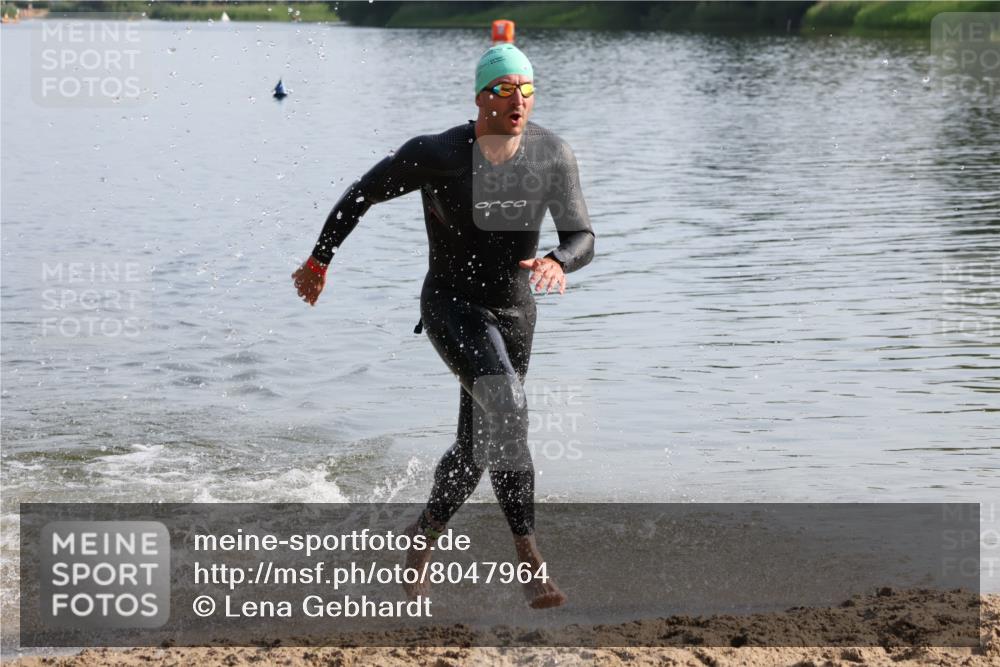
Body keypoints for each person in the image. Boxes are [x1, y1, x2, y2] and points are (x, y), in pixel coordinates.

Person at [292, 42, 594, 609]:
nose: (518, 101)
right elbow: (362, 194)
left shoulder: (552, 154)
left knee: (480, 444)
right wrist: (318, 261)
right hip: (452, 304)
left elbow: (582, 235)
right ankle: (529, 557)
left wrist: (559, 260)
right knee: (508, 406)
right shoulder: (438, 154)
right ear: (480, 96)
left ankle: (422, 535)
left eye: (527, 90)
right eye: (505, 90)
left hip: (515, 313)